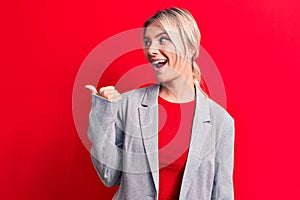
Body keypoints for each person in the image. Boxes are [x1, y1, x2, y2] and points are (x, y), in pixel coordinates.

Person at [85, 7, 235, 200]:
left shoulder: (221, 122)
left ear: (189, 48)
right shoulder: (129, 105)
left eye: (163, 40)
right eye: (148, 42)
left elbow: (223, 194)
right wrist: (104, 113)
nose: (151, 50)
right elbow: (108, 174)